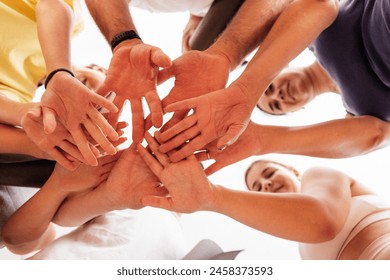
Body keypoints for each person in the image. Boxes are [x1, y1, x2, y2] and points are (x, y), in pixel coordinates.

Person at [137, 134, 390, 259]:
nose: (266, 184)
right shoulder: (302, 247)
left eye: (269, 173)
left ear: (292, 170)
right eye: (258, 187)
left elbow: (324, 221)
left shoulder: (318, 174)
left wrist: (212, 197)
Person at [0, 0, 119, 169]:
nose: (84, 101)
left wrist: (44, 143)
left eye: (93, 111)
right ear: (99, 68)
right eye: (103, 96)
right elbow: (51, 4)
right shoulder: (70, 26)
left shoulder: (19, 94)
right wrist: (59, 72)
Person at [256, 60, 340, 115]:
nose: (277, 96)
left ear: (282, 66)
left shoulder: (321, 37)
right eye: (277, 105)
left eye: (270, 87)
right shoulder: (352, 111)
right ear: (296, 110)